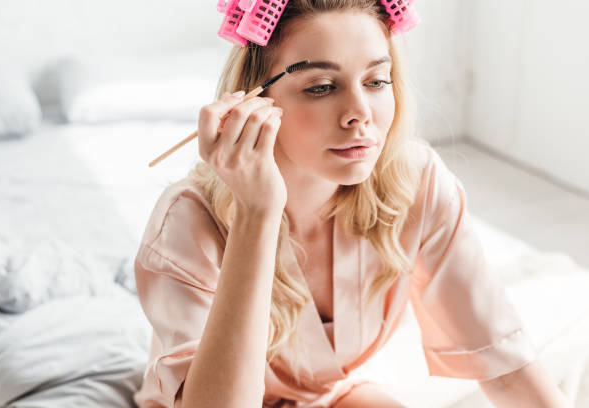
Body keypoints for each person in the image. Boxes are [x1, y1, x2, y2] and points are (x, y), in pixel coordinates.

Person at [133, 1, 570, 407]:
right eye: (322, 87)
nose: (358, 113)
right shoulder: (186, 221)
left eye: (377, 81)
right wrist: (257, 214)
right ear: (255, 101)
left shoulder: (416, 181)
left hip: (331, 396)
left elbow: (506, 368)